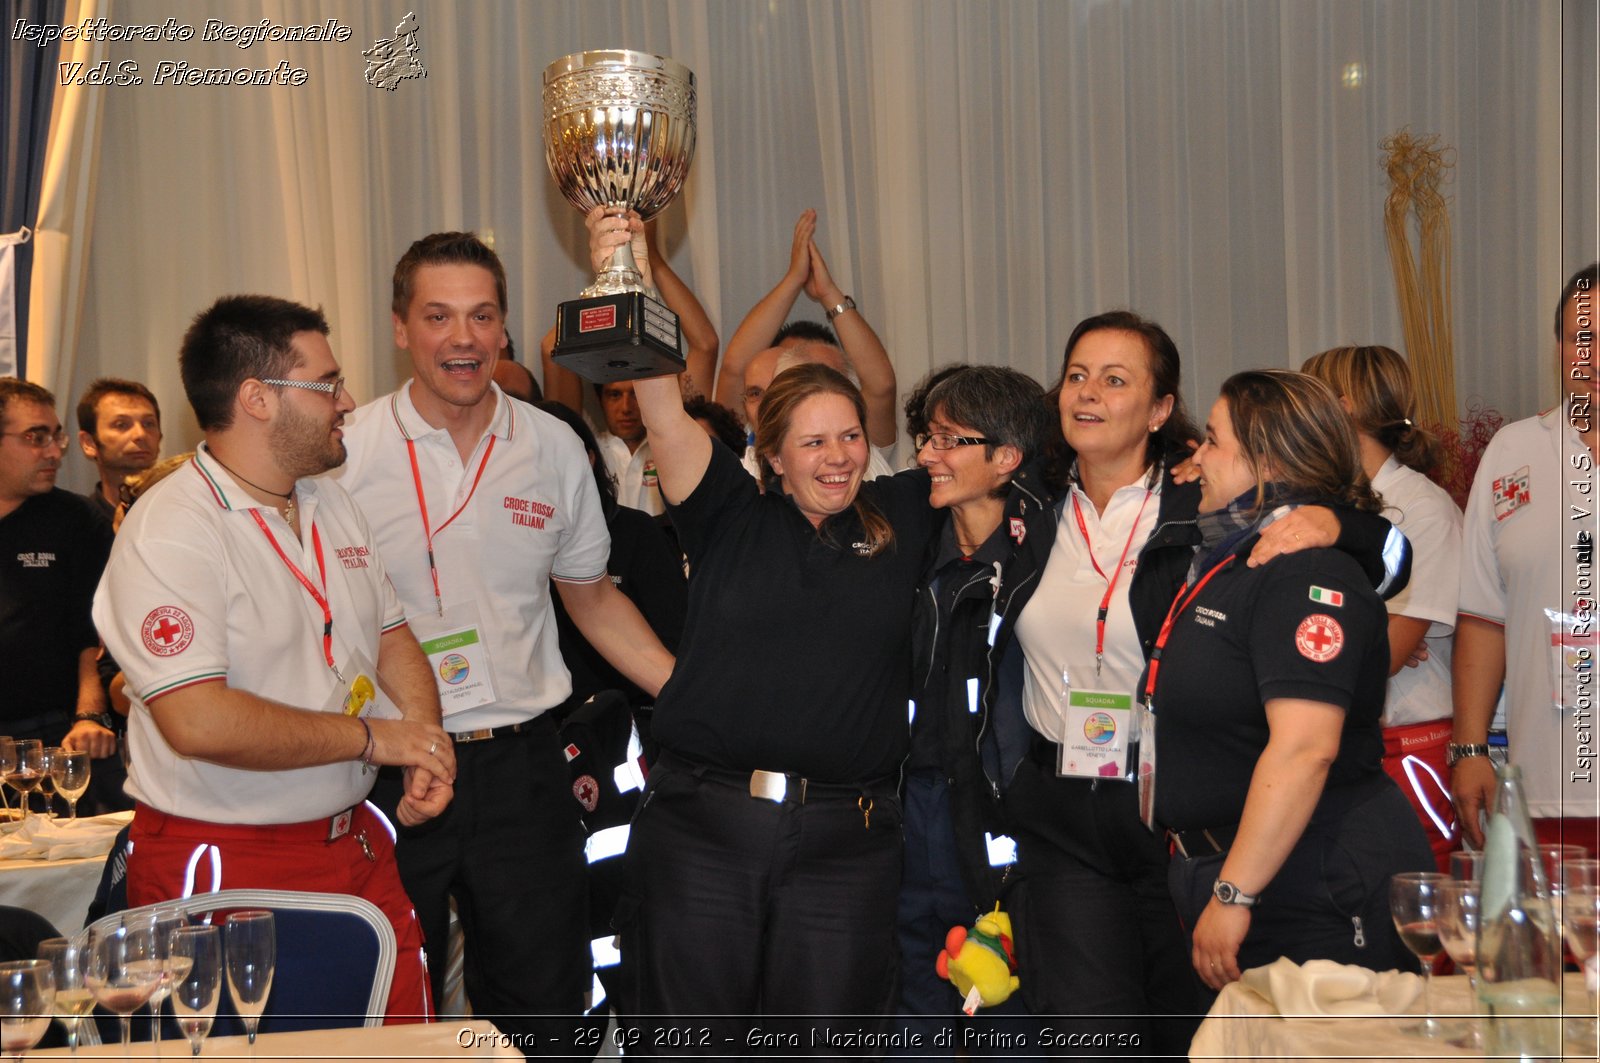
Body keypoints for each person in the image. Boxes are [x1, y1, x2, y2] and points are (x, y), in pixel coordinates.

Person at [1005, 313, 1409, 1053]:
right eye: (1076, 375)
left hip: (1207, 822)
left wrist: (1329, 519)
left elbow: (1386, 552)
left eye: (1116, 379)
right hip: (1082, 807)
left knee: (1197, 1028)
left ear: (1162, 411)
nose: (1088, 393)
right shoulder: (1022, 499)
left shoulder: (1211, 508)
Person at [589, 207, 939, 1049]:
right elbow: (665, 408)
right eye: (812, 441)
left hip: (847, 846)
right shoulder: (727, 514)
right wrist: (621, 274)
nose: (838, 456)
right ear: (770, 454)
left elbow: (993, 451)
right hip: (705, 829)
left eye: (850, 436)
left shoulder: (903, 512)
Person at [333, 231, 675, 1049]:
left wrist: (691, 692)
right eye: (439, 316)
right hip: (386, 766)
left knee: (542, 1005)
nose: (462, 338)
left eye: (482, 316)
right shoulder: (346, 453)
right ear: (400, 327)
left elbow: (590, 598)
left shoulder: (552, 444)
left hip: (522, 764)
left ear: (505, 328)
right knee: (382, 1003)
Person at [91, 295, 454, 1022]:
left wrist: (424, 742)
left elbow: (390, 636)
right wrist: (378, 737)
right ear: (258, 398)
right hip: (225, 861)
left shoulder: (328, 500)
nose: (347, 401)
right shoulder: (173, 529)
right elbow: (197, 718)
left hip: (352, 842)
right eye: (328, 384)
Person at [1155, 369, 1434, 994]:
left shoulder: (1301, 567)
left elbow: (1306, 747)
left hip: (1310, 875)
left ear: (1269, 459)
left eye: (1213, 439)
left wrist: (1234, 891)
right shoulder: (1230, 550)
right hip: (1235, 866)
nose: (1197, 456)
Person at [896, 366, 1051, 1051]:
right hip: (907, 812)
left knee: (1006, 1008)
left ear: (1006, 458)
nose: (928, 454)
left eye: (948, 439)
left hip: (1000, 819)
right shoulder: (907, 550)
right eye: (927, 438)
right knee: (911, 1008)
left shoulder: (1046, 564)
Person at [1454, 262, 1599, 855]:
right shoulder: (1514, 451)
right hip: (1546, 791)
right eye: (1581, 338)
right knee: (1551, 949)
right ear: (1560, 348)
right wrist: (1469, 750)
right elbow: (1483, 616)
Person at [1303, 345, 1463, 869]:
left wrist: (1374, 633)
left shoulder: (1422, 508)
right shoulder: (1318, 507)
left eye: (1310, 404)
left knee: (1419, 907)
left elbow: (1389, 653)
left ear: (1343, 410)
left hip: (1407, 744)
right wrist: (1370, 624)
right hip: (1330, 738)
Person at [0, 379, 117, 763]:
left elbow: (91, 629)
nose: (53, 452)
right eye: (35, 438)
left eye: (56, 437)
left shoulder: (75, 519)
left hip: (52, 734)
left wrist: (89, 716)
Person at [715, 208, 897, 453]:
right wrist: (793, 279)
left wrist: (829, 293)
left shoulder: (858, 436)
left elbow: (881, 384)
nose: (785, 392)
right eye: (781, 376)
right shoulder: (741, 441)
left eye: (804, 378)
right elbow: (735, 369)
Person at [75, 378, 162, 523]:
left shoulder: (183, 509)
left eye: (148, 423)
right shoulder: (81, 524)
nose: (140, 434)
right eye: (121, 425)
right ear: (89, 443)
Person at [592, 379, 666, 517]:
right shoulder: (590, 453)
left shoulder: (670, 451)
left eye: (636, 394)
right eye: (615, 395)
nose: (626, 408)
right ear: (599, 400)